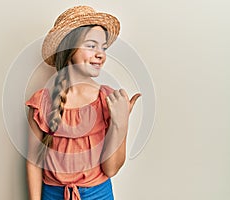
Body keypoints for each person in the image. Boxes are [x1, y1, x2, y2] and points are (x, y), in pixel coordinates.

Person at [25, 5, 141, 200]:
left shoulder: (107, 98)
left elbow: (111, 169)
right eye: (91, 45)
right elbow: (33, 162)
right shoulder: (42, 102)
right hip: (52, 194)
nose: (100, 54)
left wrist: (120, 123)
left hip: (98, 194)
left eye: (103, 48)